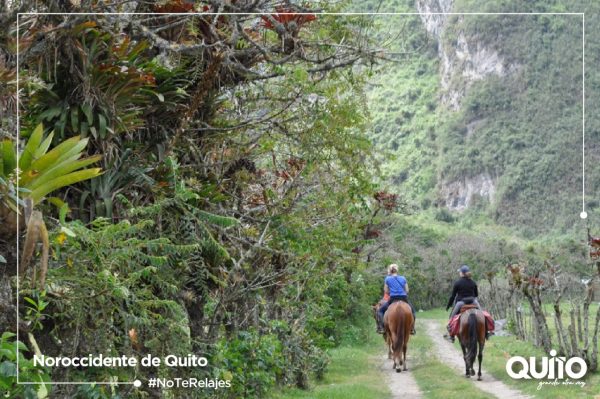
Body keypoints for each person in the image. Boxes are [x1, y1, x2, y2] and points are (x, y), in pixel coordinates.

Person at [444, 265, 481, 342]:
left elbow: (453, 296)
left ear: (462, 273)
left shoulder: (457, 283)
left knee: (452, 317)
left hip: (461, 303)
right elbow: (476, 295)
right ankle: (487, 331)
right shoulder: (473, 282)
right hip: (473, 301)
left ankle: (451, 336)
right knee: (482, 314)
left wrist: (448, 305)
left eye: (460, 272)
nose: (459, 273)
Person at [376, 263, 416, 335]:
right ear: (397, 270)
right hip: (404, 298)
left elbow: (386, 291)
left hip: (393, 298)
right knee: (413, 311)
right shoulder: (403, 278)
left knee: (380, 311)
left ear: (390, 271)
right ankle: (412, 328)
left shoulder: (387, 279)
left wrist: (391, 292)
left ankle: (382, 327)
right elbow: (407, 290)